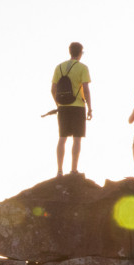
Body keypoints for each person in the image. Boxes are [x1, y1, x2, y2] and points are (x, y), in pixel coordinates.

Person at [50, 42, 92, 177]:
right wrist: (90, 107)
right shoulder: (82, 68)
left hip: (63, 107)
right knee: (77, 139)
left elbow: (53, 89)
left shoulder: (59, 67)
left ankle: (59, 170)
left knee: (62, 138)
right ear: (80, 53)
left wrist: (58, 104)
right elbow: (85, 89)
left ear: (70, 51)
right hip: (78, 106)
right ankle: (73, 170)